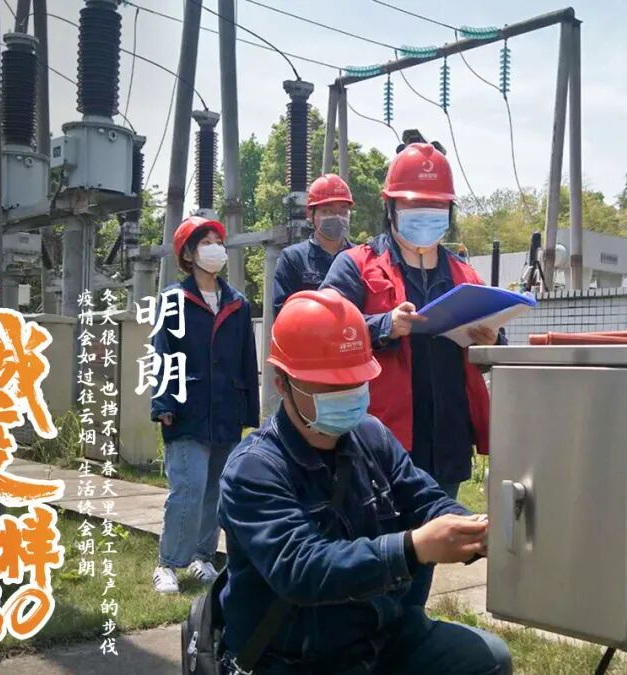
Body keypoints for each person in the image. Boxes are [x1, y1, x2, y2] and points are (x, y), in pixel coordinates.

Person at [218, 289, 511, 675]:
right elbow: (303, 569)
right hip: (294, 657)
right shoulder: (253, 470)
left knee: (487, 660)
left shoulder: (372, 436)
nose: (347, 394)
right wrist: (411, 549)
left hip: (378, 635)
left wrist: (471, 528)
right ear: (282, 383)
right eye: (330, 385)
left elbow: (422, 497)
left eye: (356, 381)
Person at [321, 141, 503, 606]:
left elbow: (492, 352)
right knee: (375, 554)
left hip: (446, 441)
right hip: (381, 442)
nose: (426, 214)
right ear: (391, 208)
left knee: (425, 558)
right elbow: (323, 329)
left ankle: (407, 629)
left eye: (436, 206)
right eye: (413, 205)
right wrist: (383, 325)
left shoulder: (464, 274)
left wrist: (490, 341)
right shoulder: (357, 265)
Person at [150, 216, 259, 594]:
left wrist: (249, 411)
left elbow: (247, 360)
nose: (215, 248)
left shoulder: (238, 303)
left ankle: (202, 557)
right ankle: (168, 563)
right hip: (186, 409)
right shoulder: (173, 300)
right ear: (188, 254)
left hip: (226, 410)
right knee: (189, 488)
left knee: (216, 489)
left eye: (218, 241)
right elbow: (162, 353)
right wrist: (163, 401)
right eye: (205, 242)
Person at [272, 173, 355, 316]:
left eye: (343, 211)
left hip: (353, 330)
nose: (337, 217)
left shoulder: (359, 258)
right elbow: (283, 313)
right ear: (310, 214)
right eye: (327, 211)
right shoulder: (293, 259)